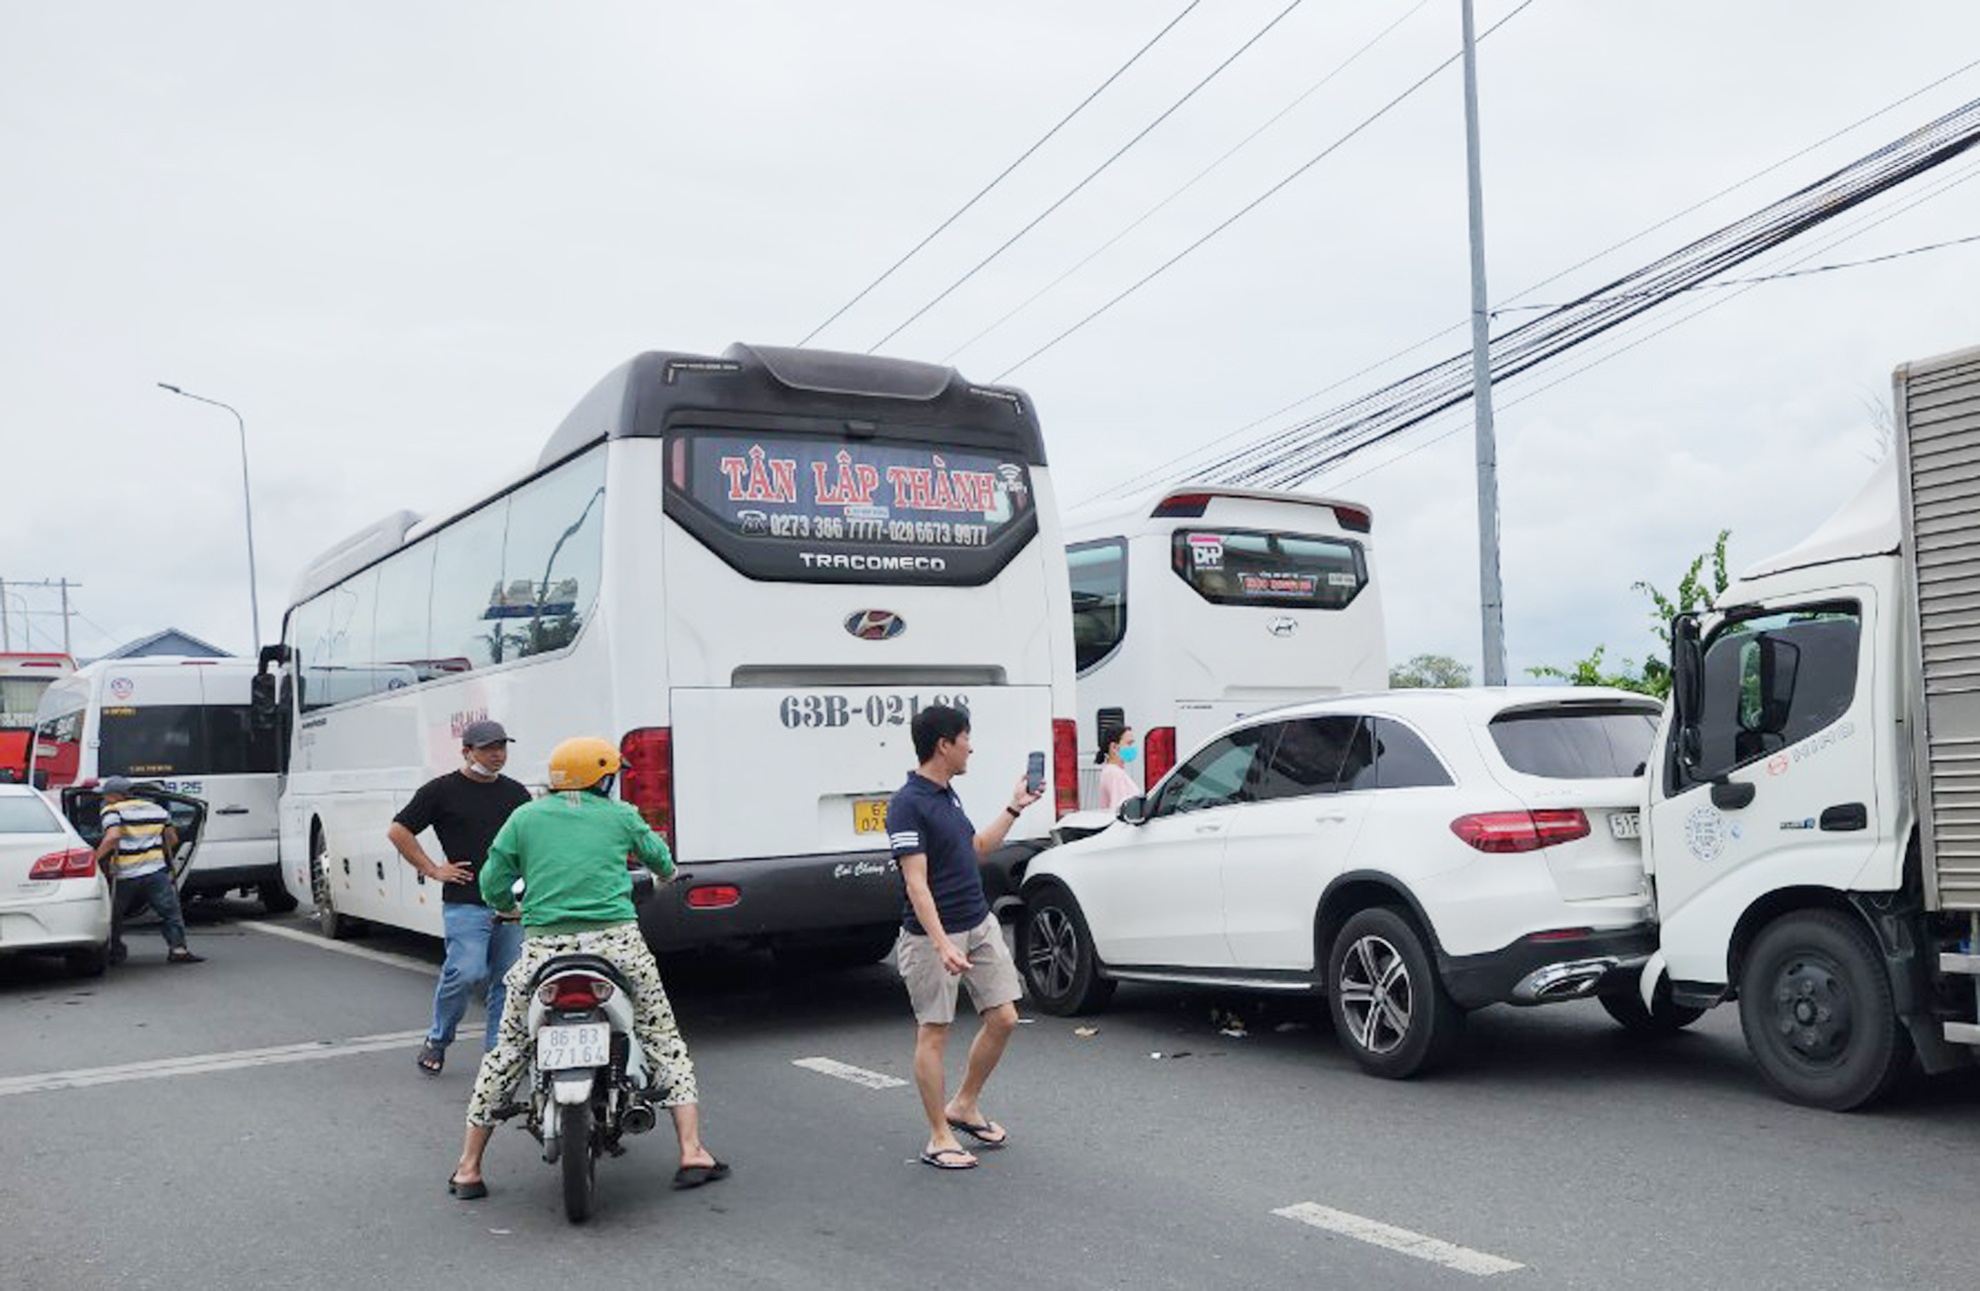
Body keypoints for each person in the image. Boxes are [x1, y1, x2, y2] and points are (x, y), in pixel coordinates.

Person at [447, 736, 725, 1200]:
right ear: (602, 778)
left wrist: (506, 907)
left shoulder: (525, 817)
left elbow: (492, 882)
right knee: (662, 1039)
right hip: (617, 947)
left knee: (509, 1049)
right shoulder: (620, 816)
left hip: (544, 951)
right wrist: (665, 874)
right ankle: (692, 1151)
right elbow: (661, 863)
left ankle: (469, 1168)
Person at [886, 704, 1041, 1171]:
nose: (971, 746)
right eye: (966, 738)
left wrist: (1015, 807)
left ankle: (964, 1105)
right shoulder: (907, 803)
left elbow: (974, 849)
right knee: (934, 1033)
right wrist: (941, 942)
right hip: (933, 934)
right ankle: (938, 1136)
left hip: (978, 921)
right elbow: (916, 883)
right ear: (944, 745)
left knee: (1005, 1018)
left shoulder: (947, 795)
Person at [389, 719, 532, 1077]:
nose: (497, 754)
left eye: (502, 747)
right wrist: (433, 869)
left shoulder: (516, 793)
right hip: (465, 901)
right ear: (467, 752)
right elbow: (398, 830)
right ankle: (438, 1038)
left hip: (511, 903)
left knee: (507, 980)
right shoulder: (441, 791)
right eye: (488, 748)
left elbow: (532, 843)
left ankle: (496, 1055)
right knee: (466, 972)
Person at [93, 776, 202, 965]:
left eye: (106, 795)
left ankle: (115, 951)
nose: (104, 799)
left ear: (114, 796)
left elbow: (113, 837)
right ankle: (178, 949)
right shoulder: (157, 810)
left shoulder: (112, 811)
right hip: (155, 870)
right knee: (170, 911)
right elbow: (172, 839)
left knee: (114, 914)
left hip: (125, 873)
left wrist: (94, 858)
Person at [1095, 724, 1140, 812]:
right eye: (1129, 743)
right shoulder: (1114, 773)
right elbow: (1119, 808)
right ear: (1114, 747)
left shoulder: (1113, 771)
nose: (1132, 748)